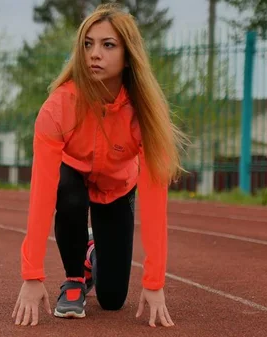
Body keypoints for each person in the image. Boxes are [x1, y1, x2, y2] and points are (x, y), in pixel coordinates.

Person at [11, 3, 188, 328]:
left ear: (127, 54)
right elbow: (41, 195)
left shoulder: (144, 113)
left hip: (117, 187)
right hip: (73, 178)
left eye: (108, 45)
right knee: (67, 192)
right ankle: (75, 280)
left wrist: (154, 282)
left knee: (112, 300)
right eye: (88, 44)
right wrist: (32, 275)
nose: (95, 53)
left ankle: (92, 255)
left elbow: (153, 202)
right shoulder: (58, 107)